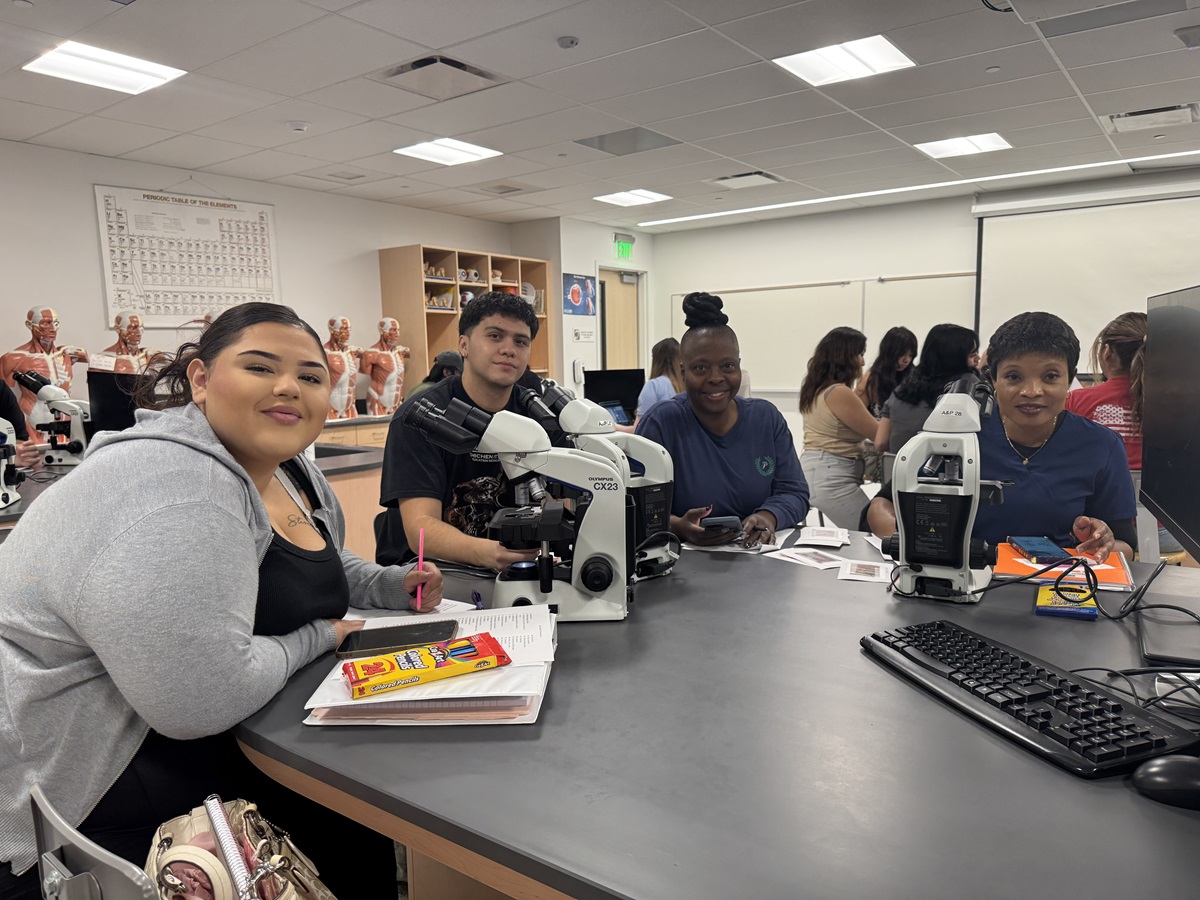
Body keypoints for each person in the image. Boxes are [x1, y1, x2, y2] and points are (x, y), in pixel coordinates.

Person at [0, 302, 444, 899]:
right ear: (201, 380)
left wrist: (387, 584)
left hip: (234, 735)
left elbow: (309, 557)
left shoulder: (288, 471)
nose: (289, 386)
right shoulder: (182, 487)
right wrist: (319, 635)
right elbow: (198, 700)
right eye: (260, 367)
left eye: (311, 376)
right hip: (102, 779)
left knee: (356, 831)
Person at [863, 311, 1135, 561]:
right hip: (960, 586)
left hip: (1055, 590)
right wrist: (909, 547)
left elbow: (1126, 545)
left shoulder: (1101, 447)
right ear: (993, 379)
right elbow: (882, 503)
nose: (1031, 391)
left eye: (1050, 376)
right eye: (1013, 377)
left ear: (1070, 379)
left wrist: (1102, 542)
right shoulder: (958, 433)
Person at [378, 291, 561, 570]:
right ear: (463, 345)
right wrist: (492, 555)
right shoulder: (420, 417)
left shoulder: (535, 413)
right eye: (495, 336)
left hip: (508, 565)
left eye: (520, 341)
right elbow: (421, 531)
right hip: (430, 572)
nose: (509, 349)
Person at [636, 292, 809, 548]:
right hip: (684, 567)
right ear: (683, 372)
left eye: (727, 366)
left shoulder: (766, 419)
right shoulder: (662, 423)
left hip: (760, 564)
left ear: (739, 366)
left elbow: (794, 492)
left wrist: (768, 516)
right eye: (701, 368)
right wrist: (678, 526)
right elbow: (636, 506)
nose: (716, 378)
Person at [799, 326, 879, 529]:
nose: (862, 361)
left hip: (820, 472)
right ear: (845, 356)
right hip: (831, 479)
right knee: (876, 530)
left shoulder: (816, 389)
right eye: (860, 354)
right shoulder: (839, 392)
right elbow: (879, 435)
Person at [876, 324, 980, 453]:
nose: (978, 359)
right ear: (956, 358)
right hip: (945, 469)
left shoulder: (902, 388)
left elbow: (880, 443)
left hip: (896, 468)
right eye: (972, 355)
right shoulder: (968, 385)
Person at [0, 306, 88, 443]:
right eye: (46, 323)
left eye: (56, 323)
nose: (52, 328)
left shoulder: (67, 354)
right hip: (32, 423)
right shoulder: (13, 358)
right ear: (29, 325)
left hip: (65, 425)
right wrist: (23, 436)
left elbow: (100, 364)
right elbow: (6, 404)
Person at [856, 325, 918, 416]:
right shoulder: (871, 380)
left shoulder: (913, 376)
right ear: (890, 353)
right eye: (902, 354)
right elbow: (856, 414)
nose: (906, 360)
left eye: (910, 355)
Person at [359, 316, 411, 416]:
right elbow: (365, 371)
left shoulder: (400, 352)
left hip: (397, 402)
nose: (397, 334)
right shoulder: (371, 353)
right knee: (377, 431)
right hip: (377, 400)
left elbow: (408, 353)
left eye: (398, 330)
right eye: (393, 330)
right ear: (383, 332)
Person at [322, 314, 363, 419]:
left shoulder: (351, 351)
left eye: (349, 329)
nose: (347, 332)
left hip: (350, 406)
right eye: (343, 329)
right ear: (332, 330)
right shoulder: (323, 352)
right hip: (330, 405)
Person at [636, 337, 685, 420]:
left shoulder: (653, 386)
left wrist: (613, 425)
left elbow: (638, 428)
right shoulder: (686, 385)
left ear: (656, 360)